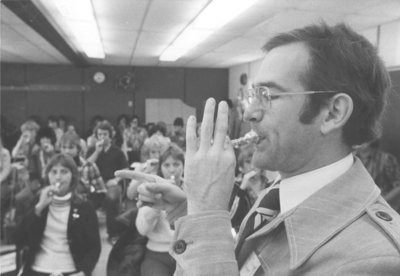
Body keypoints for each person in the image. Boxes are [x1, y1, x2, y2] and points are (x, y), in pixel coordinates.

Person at [117, 22, 400, 275]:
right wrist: (189, 210)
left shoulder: (372, 260)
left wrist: (205, 213)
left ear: (332, 113)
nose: (250, 113)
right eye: (254, 95)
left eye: (268, 95)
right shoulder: (280, 193)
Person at [16, 153, 101, 276]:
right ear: (48, 175)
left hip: (71, 270)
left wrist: (83, 272)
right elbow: (18, 237)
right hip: (37, 268)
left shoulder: (85, 206)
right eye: (53, 172)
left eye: (64, 172)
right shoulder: (38, 200)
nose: (58, 177)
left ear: (73, 176)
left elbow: (94, 247)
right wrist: (39, 208)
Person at [135, 144, 184, 276]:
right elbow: (142, 229)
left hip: (187, 253)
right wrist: (156, 205)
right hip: (157, 254)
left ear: (183, 166)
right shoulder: (151, 190)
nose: (172, 170)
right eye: (166, 165)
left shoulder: (191, 189)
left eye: (176, 164)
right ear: (160, 168)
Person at [86, 120, 128, 243]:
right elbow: (87, 165)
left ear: (110, 136)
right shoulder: (92, 150)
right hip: (96, 184)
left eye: (105, 134)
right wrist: (97, 152)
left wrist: (116, 180)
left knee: (111, 199)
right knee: (86, 202)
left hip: (112, 182)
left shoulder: (117, 151)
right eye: (100, 134)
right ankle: (89, 234)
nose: (102, 137)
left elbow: (125, 169)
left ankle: (113, 234)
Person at [59, 131, 106, 210]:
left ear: (78, 149)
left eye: (71, 147)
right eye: (64, 147)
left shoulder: (89, 166)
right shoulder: (55, 168)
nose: (67, 151)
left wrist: (86, 208)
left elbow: (100, 193)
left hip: (83, 207)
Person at [356, 139, 400, 211]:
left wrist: (382, 201)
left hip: (380, 208)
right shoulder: (352, 159)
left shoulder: (386, 159)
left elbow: (398, 186)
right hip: (358, 206)